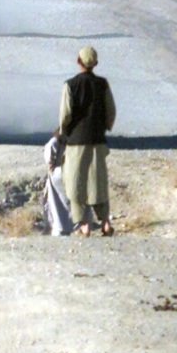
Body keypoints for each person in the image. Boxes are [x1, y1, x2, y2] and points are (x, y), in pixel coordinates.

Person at [57, 45, 116, 236]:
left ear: (78, 61)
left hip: (76, 142)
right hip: (98, 140)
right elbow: (111, 111)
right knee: (98, 182)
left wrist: (63, 132)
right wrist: (105, 127)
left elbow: (65, 114)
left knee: (75, 183)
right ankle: (105, 222)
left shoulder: (70, 85)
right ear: (96, 63)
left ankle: (84, 224)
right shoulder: (103, 84)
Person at [42, 134, 72, 237]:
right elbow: (51, 166)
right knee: (54, 209)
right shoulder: (54, 143)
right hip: (57, 181)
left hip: (66, 182)